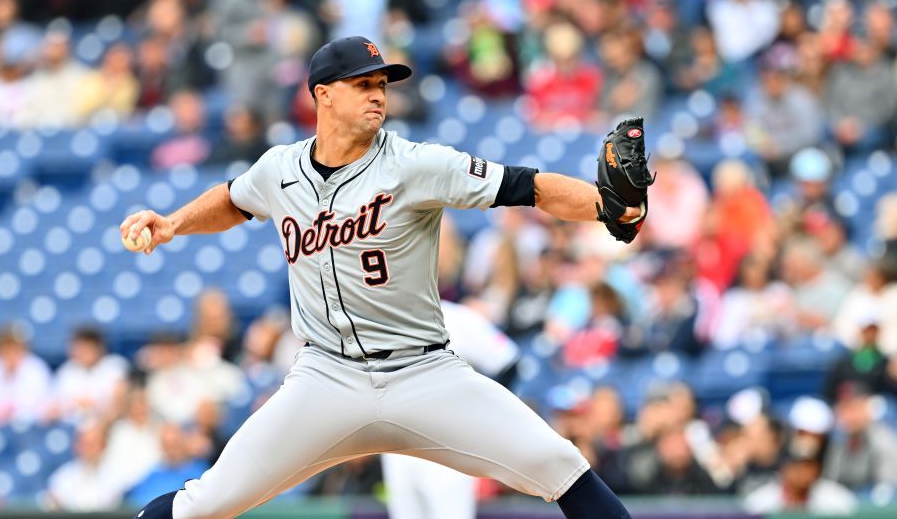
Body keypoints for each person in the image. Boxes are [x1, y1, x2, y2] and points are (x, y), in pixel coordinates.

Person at [122, 36, 641, 519]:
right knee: (205, 501)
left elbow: (528, 187)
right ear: (323, 95)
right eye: (363, 84)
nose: (378, 95)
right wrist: (173, 223)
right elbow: (235, 200)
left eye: (382, 85)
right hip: (325, 378)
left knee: (561, 465)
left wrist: (605, 206)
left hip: (424, 373)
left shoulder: (415, 165)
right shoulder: (278, 168)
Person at [381, 299, 520, 519]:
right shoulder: (380, 319)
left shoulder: (455, 317)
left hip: (446, 444)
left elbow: (508, 361)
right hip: (396, 445)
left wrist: (481, 418)